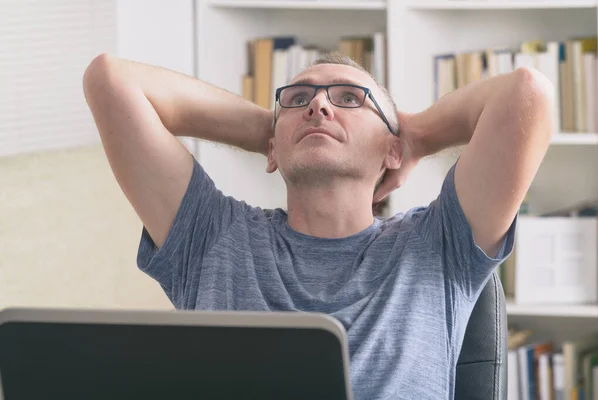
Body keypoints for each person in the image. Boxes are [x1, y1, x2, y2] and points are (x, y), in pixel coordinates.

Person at [82, 51, 553, 399]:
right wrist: (272, 131)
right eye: (299, 98)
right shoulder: (213, 237)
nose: (319, 107)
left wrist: (418, 137)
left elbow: (526, 94)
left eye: (349, 98)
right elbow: (110, 80)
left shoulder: (438, 244)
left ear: (392, 148)